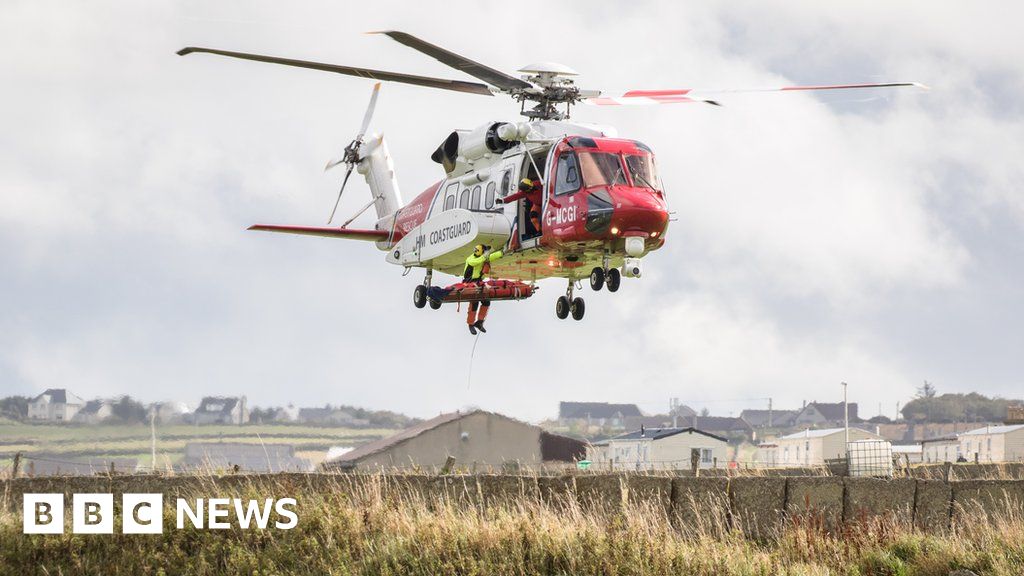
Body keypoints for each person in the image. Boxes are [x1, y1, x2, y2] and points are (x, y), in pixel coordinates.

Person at [463, 244, 503, 335]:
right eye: (484, 251)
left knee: (486, 301)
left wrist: (502, 252)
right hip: (469, 282)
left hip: (478, 282)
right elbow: (476, 262)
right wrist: (485, 255)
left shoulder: (482, 257)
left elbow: (491, 257)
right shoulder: (470, 259)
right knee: (474, 303)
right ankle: (470, 324)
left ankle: (479, 322)